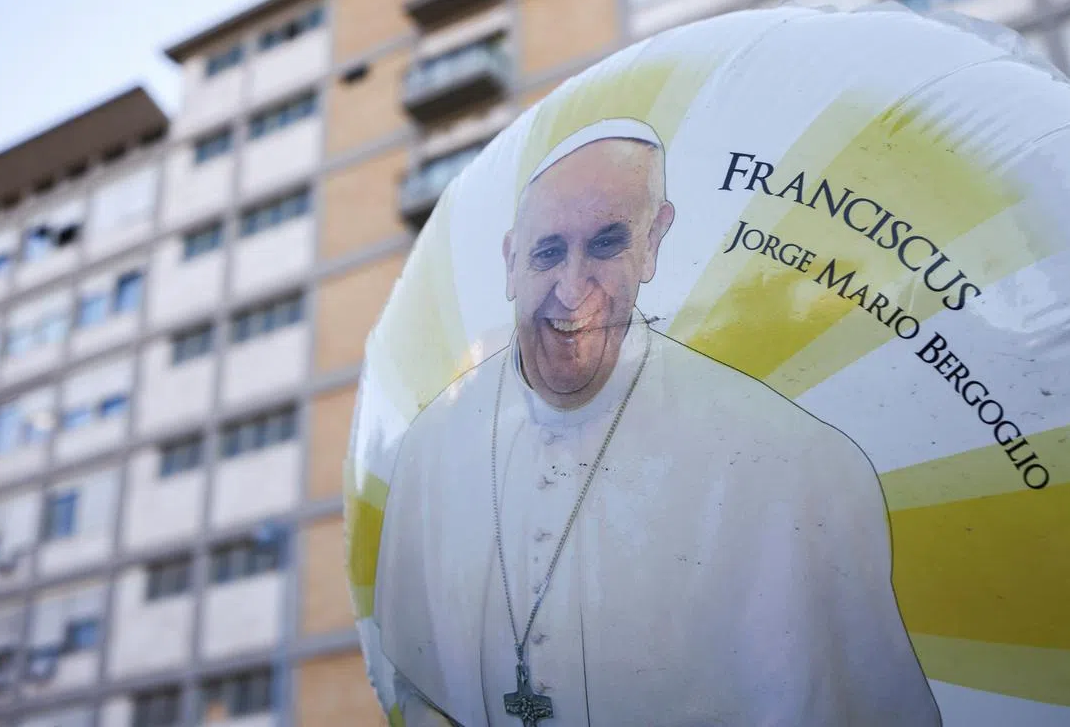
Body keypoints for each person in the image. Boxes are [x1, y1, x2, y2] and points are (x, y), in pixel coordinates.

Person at [371, 119, 941, 726]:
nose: (571, 290)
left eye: (607, 244)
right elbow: (414, 685)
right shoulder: (430, 451)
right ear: (511, 261)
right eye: (547, 252)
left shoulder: (797, 464)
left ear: (653, 240)